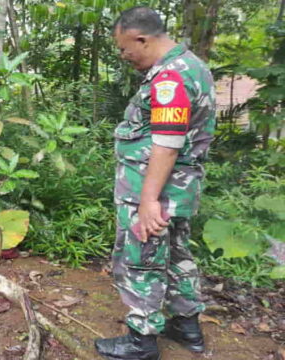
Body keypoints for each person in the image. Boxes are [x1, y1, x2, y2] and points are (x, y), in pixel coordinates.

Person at [94, 6, 216, 360]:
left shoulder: (169, 78)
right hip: (178, 190)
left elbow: (167, 143)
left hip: (154, 192)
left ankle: (140, 342)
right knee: (176, 254)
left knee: (140, 260)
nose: (123, 55)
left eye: (123, 47)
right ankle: (187, 326)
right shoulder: (191, 65)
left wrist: (148, 201)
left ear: (141, 38)